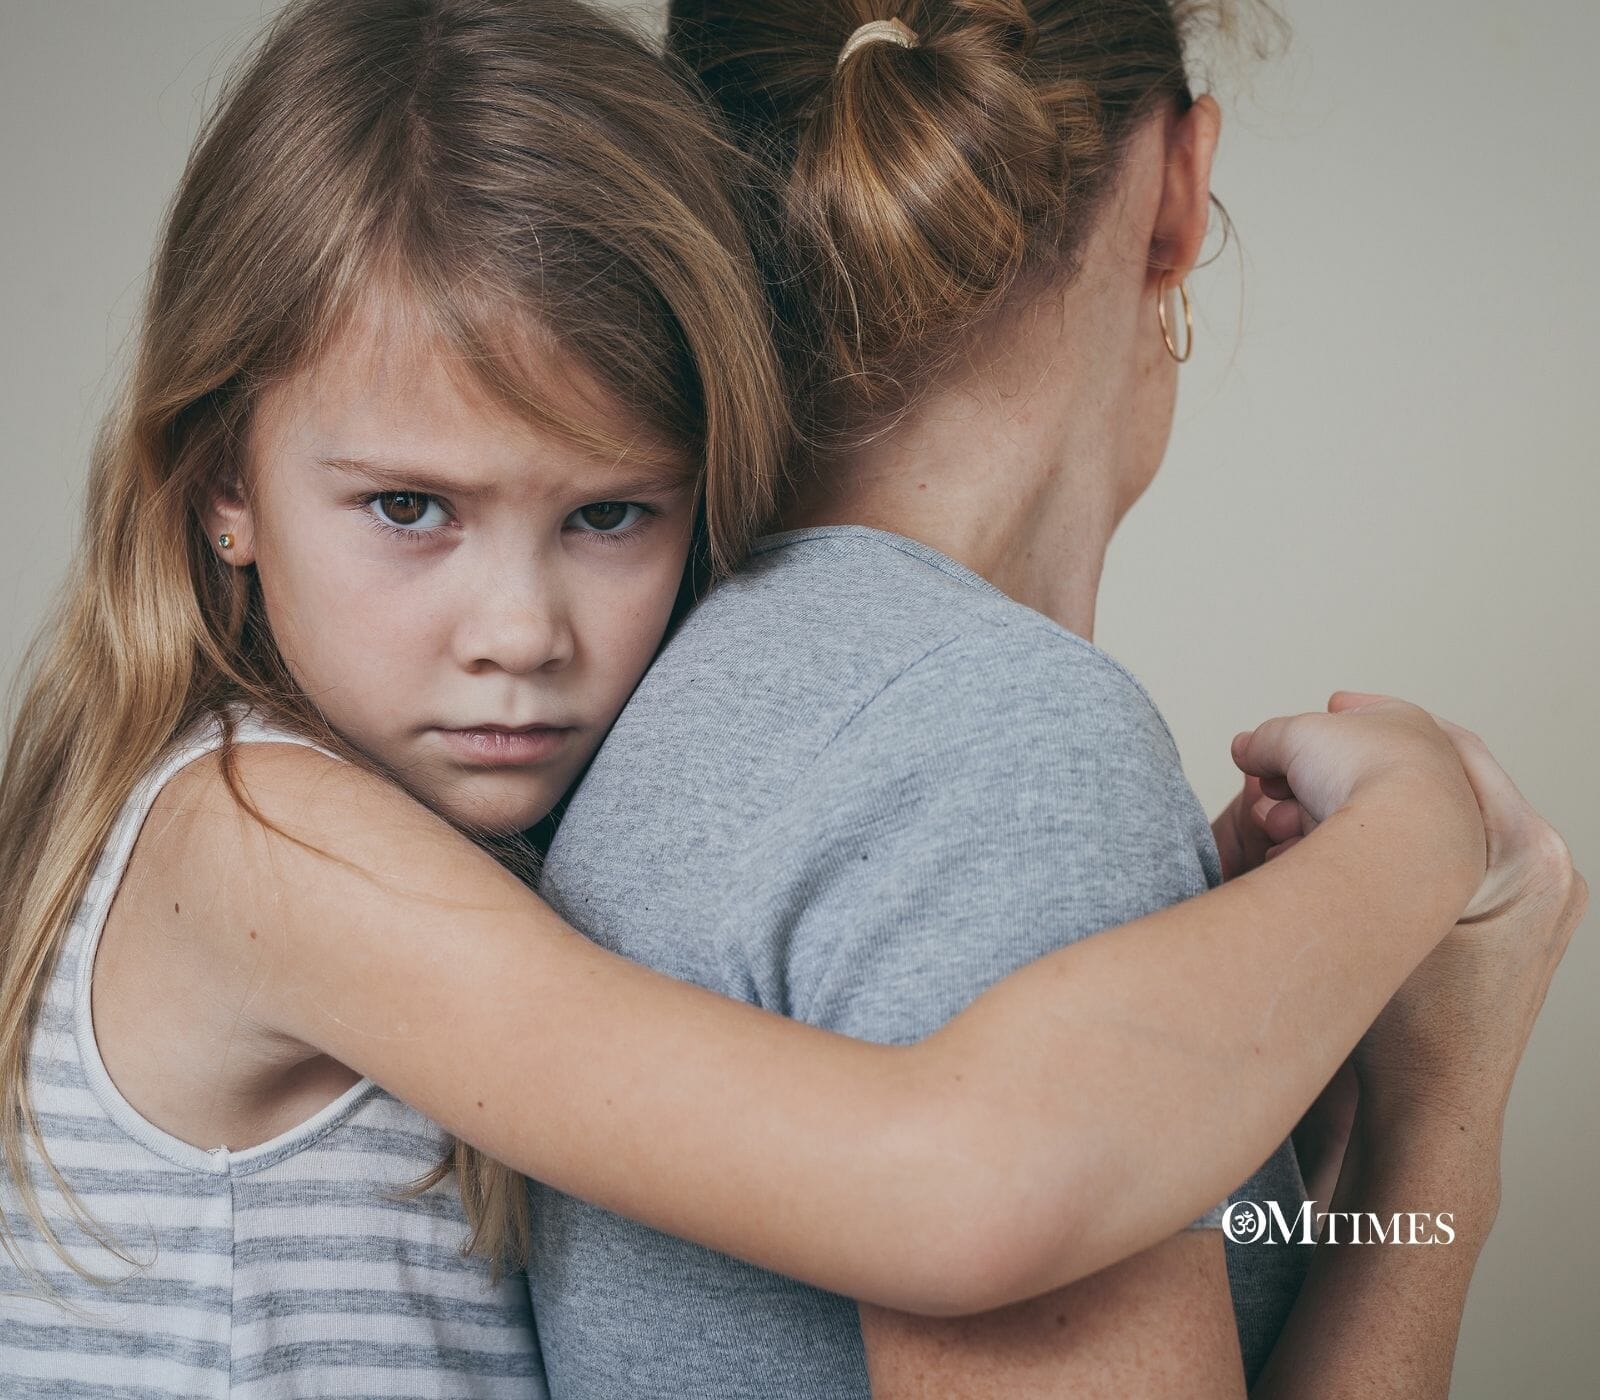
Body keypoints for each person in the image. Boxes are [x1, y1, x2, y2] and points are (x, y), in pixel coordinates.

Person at [0, 1, 1577, 1396]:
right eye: (411, 509)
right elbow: (969, 1187)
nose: (521, 632)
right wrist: (1428, 849)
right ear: (219, 483)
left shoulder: (612, 771)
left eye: (613, 512)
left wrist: (1345, 1106)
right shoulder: (264, 836)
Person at [519, 2, 1586, 1396]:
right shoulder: (993, 741)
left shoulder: (674, 685)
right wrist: (1440, 1127)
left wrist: (1289, 1082)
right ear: (1178, 191)